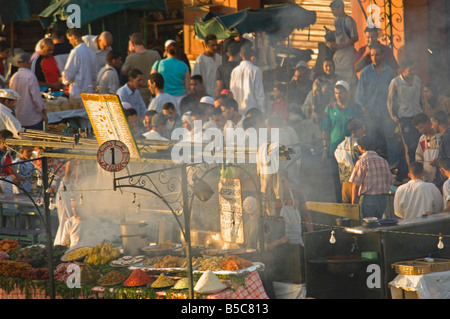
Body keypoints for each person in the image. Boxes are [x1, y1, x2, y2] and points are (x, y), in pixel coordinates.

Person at [355, 44, 396, 171]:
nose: (374, 57)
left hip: (387, 112)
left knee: (391, 138)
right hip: (371, 113)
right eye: (372, 55)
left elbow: (395, 93)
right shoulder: (366, 72)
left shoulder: (389, 72)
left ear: (382, 55)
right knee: (373, 140)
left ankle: (394, 165)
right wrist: (365, 110)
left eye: (377, 54)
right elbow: (359, 95)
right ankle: (373, 167)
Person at [321, 80, 364, 202]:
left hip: (352, 150)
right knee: (337, 179)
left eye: (341, 93)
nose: (338, 95)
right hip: (335, 150)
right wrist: (324, 150)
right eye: (336, 93)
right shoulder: (329, 108)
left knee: (353, 178)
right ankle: (340, 206)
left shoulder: (355, 108)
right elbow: (325, 130)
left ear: (347, 93)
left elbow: (362, 128)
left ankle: (354, 204)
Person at [387, 59, 423, 179]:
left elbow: (421, 98)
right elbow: (390, 102)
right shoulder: (396, 82)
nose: (412, 72)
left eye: (414, 69)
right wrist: (395, 119)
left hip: (417, 116)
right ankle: (412, 174)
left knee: (419, 144)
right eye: (410, 70)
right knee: (409, 147)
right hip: (405, 119)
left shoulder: (417, 80)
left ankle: (420, 172)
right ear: (403, 69)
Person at [349, 134, 394, 219]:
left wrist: (354, 203)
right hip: (382, 199)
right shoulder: (383, 161)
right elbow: (390, 181)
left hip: (368, 200)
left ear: (360, 147)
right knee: (378, 224)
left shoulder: (362, 162)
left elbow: (355, 184)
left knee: (368, 226)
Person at [9, 53, 47, 130]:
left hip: (19, 118)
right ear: (28, 63)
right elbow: (36, 98)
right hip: (33, 118)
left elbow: (11, 96)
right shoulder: (30, 76)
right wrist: (43, 112)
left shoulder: (14, 77)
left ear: (17, 64)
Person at [121, 33, 161, 105]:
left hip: (140, 93)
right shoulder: (155, 54)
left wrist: (131, 52)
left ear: (132, 44)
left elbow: (123, 71)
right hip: (155, 91)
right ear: (143, 42)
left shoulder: (130, 58)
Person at [328, 0, 358, 91]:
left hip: (347, 53)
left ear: (340, 9)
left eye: (334, 10)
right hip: (338, 54)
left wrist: (340, 46)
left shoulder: (349, 20)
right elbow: (339, 34)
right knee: (338, 76)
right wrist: (331, 34)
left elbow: (355, 38)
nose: (333, 12)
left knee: (348, 78)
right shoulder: (336, 20)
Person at [334, 119, 366, 203]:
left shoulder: (341, 145)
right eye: (363, 130)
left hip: (345, 184)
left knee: (347, 212)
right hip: (357, 185)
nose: (364, 132)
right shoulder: (361, 145)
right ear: (359, 131)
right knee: (358, 211)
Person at [62, 28, 97, 102]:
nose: (70, 42)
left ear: (74, 37)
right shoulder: (92, 52)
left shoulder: (76, 52)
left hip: (78, 94)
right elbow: (95, 75)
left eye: (69, 39)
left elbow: (68, 75)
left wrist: (63, 79)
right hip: (91, 94)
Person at [151, 40, 190, 107]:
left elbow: (151, 80)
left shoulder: (158, 64)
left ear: (166, 51)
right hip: (180, 99)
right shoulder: (184, 66)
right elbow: (188, 87)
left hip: (163, 98)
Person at [230, 45, 265, 115]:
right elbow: (259, 93)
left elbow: (232, 91)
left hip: (238, 110)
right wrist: (262, 110)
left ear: (240, 55)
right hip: (252, 111)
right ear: (252, 56)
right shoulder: (255, 70)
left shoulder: (235, 71)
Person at [412, 113, 441, 183]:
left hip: (441, 175)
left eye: (421, 127)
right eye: (418, 129)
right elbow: (418, 157)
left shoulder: (441, 137)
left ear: (428, 123)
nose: (420, 131)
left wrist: (439, 161)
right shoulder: (422, 139)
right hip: (427, 177)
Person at [310, 58, 338, 123]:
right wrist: (316, 116)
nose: (328, 68)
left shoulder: (338, 79)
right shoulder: (318, 82)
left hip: (337, 114)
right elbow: (315, 100)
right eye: (326, 66)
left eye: (330, 66)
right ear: (323, 67)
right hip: (324, 114)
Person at [431, 111, 450, 188]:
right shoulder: (446, 136)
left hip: (446, 180)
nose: (432, 127)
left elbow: (448, 159)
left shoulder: (447, 137)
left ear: (436, 122)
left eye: (432, 124)